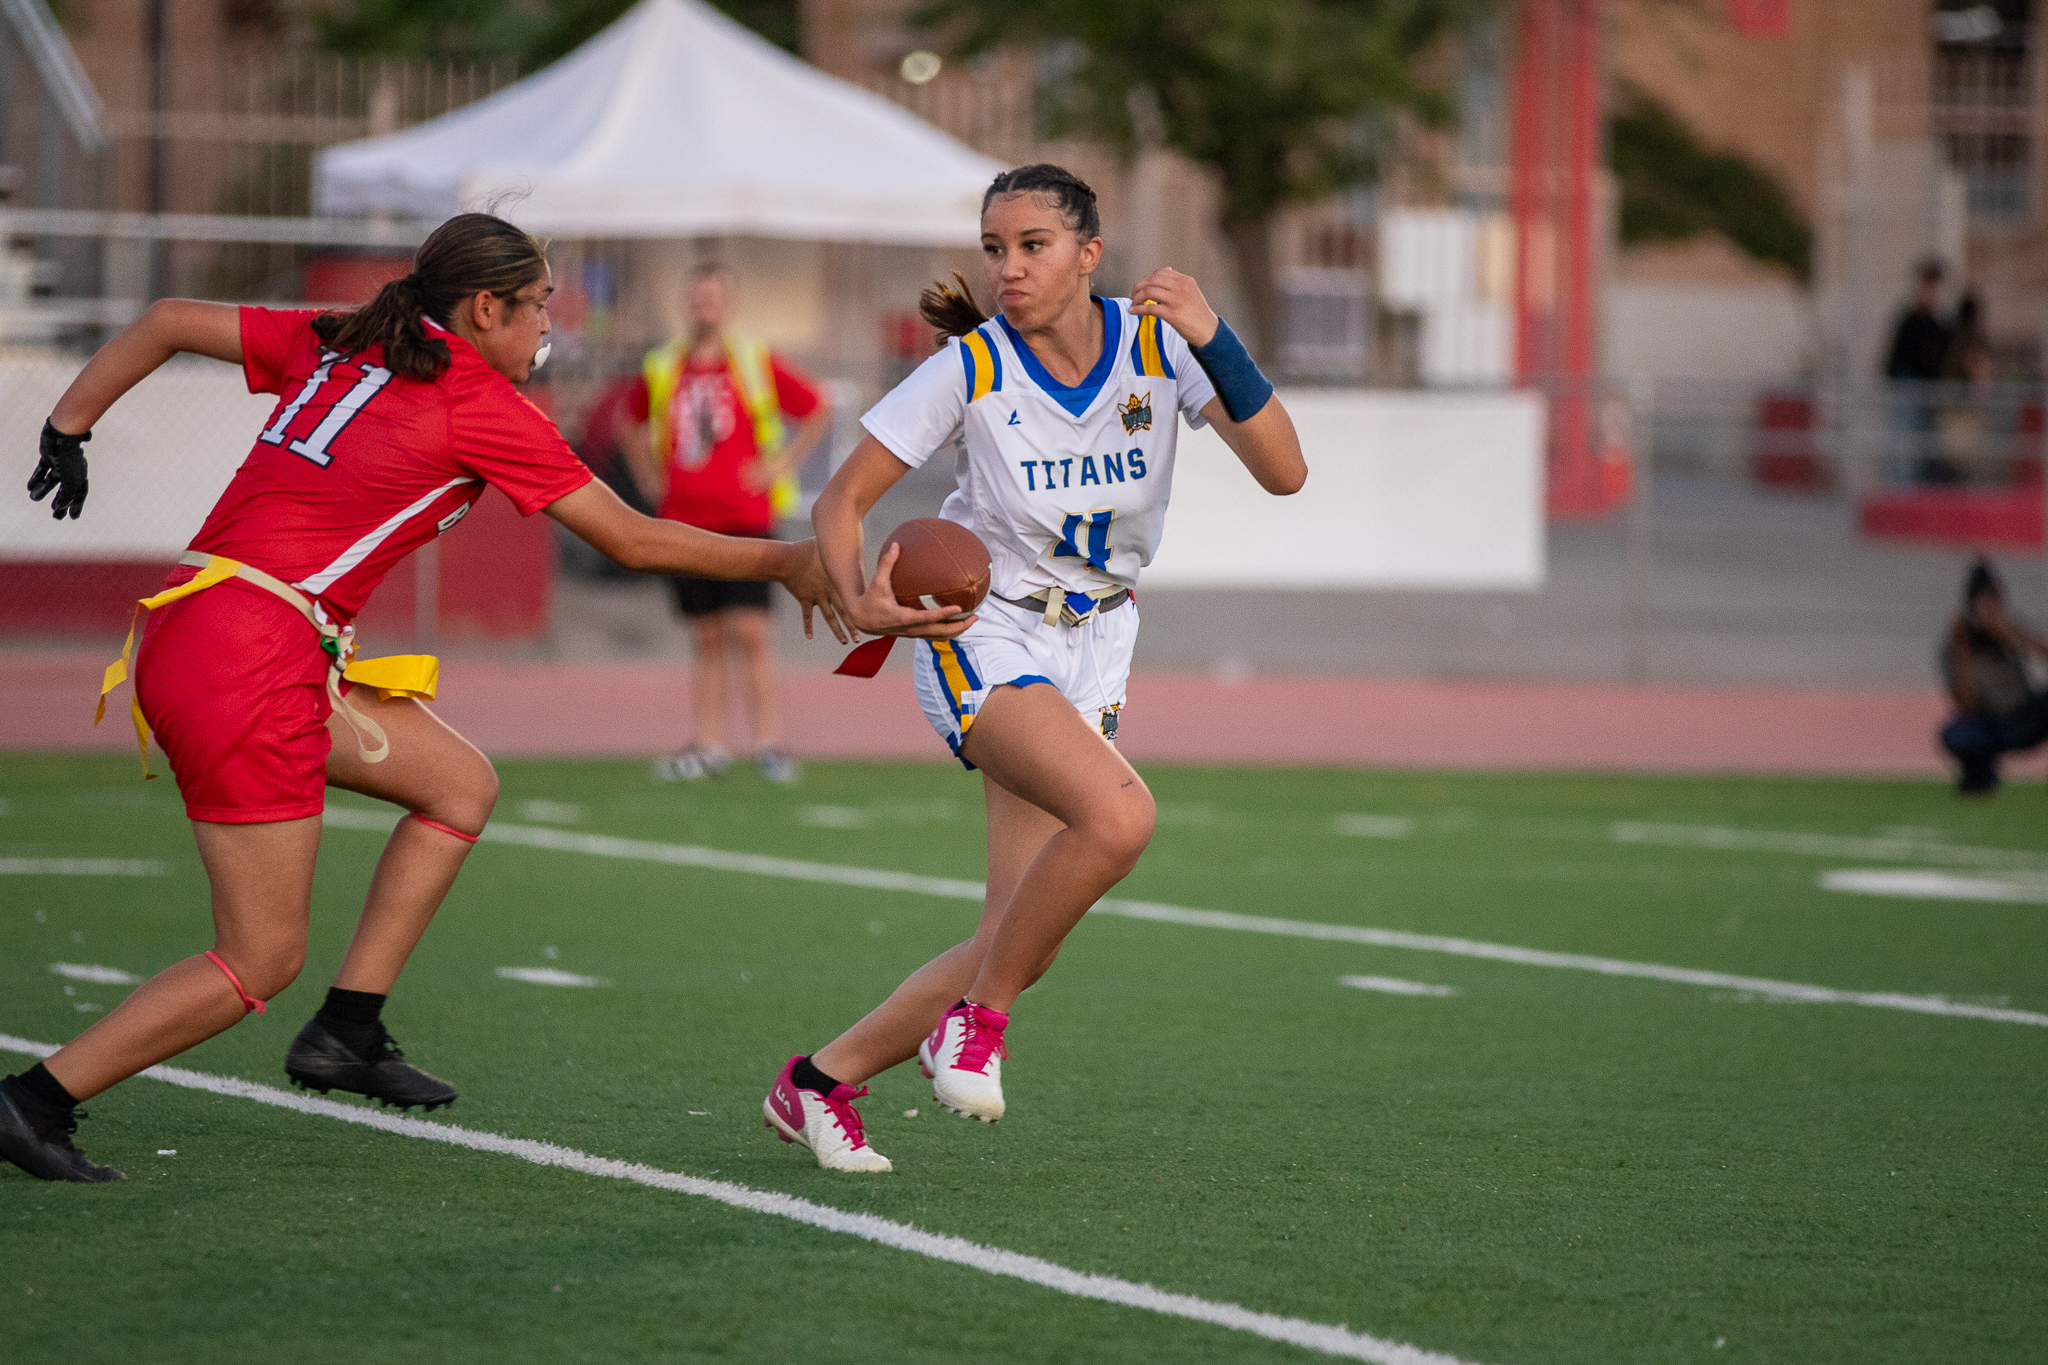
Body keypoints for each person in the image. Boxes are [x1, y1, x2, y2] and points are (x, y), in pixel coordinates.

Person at [2, 212, 845, 1183]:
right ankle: (34, 1100)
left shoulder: (343, 337)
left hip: (211, 624)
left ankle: (347, 1031)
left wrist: (69, 425)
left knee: (458, 785)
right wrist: (788, 559)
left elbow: (162, 320)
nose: (546, 332)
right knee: (258, 956)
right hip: (253, 653)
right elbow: (634, 539)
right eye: (538, 310)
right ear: (485, 308)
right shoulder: (476, 399)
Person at [761, 164, 1306, 1172]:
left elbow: (1285, 471)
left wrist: (1213, 334)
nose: (1007, 267)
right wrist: (856, 593)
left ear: (1088, 255)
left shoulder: (1156, 346)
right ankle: (970, 1029)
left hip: (1097, 638)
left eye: (1032, 246)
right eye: (994, 248)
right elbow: (836, 503)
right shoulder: (971, 365)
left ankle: (818, 1083)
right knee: (1121, 817)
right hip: (985, 632)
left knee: (1015, 942)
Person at [626, 264, 834, 784]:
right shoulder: (663, 365)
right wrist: (649, 476)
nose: (705, 308)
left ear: (730, 304)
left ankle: (769, 743)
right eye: (697, 298)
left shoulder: (753, 361)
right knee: (706, 634)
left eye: (714, 298)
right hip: (684, 521)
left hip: (746, 520)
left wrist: (780, 466)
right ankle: (709, 744)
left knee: (752, 631)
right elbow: (627, 420)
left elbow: (816, 406)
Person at [1939, 559, 2048, 794]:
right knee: (1957, 733)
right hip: (1990, 726)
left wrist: (2012, 633)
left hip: (2026, 716)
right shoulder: (1957, 646)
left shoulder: (2011, 631)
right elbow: (1965, 703)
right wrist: (1961, 646)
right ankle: (1979, 779)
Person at [1884, 259, 1953, 484]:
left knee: (1925, 443)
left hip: (1927, 389)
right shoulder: (1912, 319)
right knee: (1905, 442)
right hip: (1908, 385)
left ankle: (1918, 490)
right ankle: (1903, 490)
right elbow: (1902, 355)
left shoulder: (1937, 321)